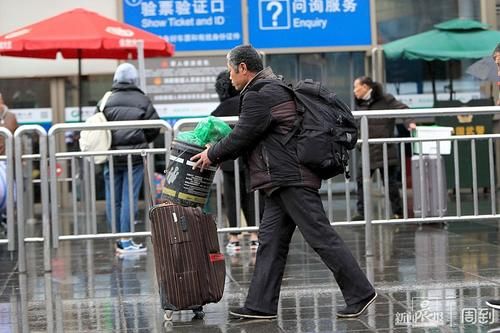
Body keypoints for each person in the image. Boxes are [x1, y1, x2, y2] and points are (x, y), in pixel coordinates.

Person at [191, 44, 376, 319]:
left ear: (243, 68)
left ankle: (360, 292)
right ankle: (260, 305)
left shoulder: (259, 94)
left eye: (231, 70)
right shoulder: (273, 87)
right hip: (281, 178)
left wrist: (212, 153)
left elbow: (243, 135)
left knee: (320, 235)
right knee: (271, 242)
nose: (229, 77)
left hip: (290, 177)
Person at [102, 63, 160, 254]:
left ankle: (117, 238)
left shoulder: (106, 100)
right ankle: (126, 240)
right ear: (134, 80)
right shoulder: (142, 99)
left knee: (113, 198)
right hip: (134, 157)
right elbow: (154, 128)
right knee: (129, 197)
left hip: (110, 155)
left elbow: (97, 126)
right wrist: (141, 140)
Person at [211, 70, 263, 253]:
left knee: (232, 198)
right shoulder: (246, 102)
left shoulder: (219, 110)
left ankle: (234, 238)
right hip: (250, 158)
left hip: (228, 160)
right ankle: (256, 235)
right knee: (252, 196)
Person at [352, 76, 409, 221]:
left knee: (390, 183)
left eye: (356, 87)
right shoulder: (361, 103)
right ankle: (362, 213)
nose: (354, 91)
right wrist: (358, 142)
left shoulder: (386, 99)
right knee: (361, 181)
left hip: (385, 149)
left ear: (365, 87)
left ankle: (398, 212)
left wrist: (410, 124)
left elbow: (404, 110)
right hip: (367, 150)